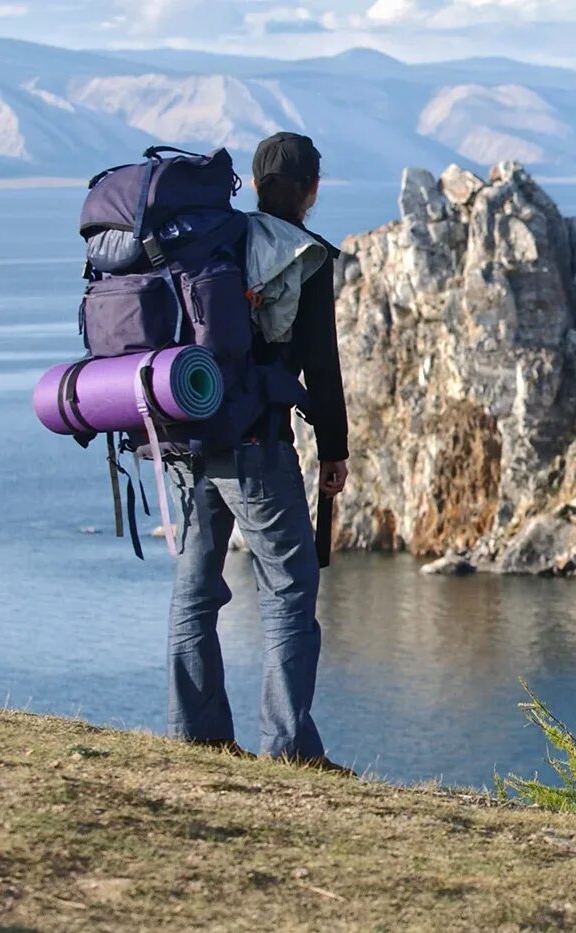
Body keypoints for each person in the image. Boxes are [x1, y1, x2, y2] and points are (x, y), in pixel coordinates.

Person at [167, 132, 350, 768]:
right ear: (311, 189)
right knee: (290, 590)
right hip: (260, 449)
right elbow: (322, 367)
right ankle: (290, 745)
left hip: (196, 439)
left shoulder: (217, 240)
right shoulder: (303, 256)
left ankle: (198, 735)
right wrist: (334, 448)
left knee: (195, 591)